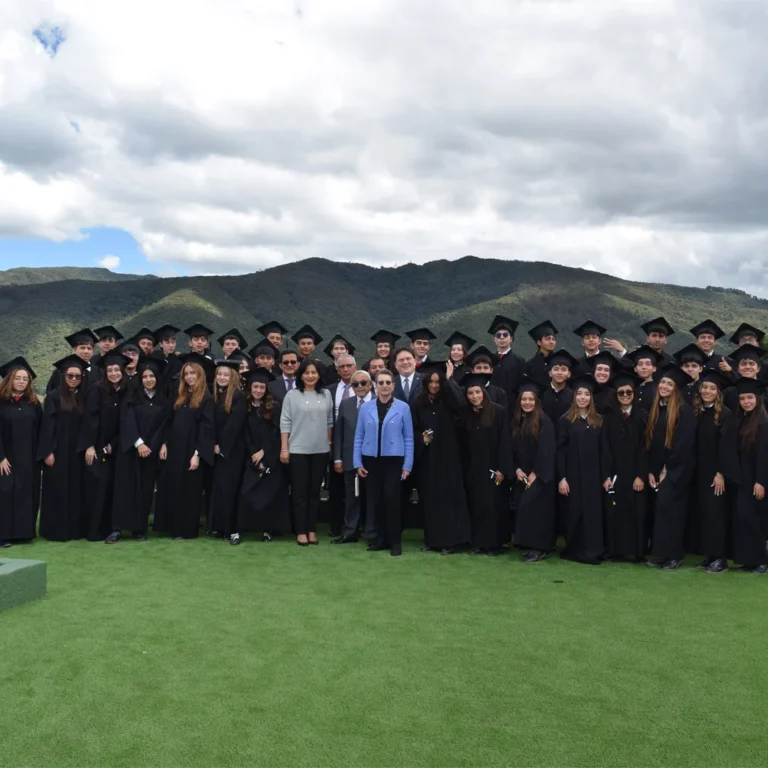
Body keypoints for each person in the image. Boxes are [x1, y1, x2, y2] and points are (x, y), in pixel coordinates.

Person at [411, 361, 470, 554]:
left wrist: (451, 378)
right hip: (428, 459)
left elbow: (462, 405)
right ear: (426, 383)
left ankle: (450, 542)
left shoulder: (449, 402)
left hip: (449, 457)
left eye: (438, 382)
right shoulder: (419, 403)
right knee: (429, 499)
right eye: (431, 382)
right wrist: (422, 438)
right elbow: (413, 428)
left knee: (449, 499)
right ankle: (432, 540)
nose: (434, 385)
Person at [354, 369, 414, 556]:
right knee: (376, 501)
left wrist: (407, 465)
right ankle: (380, 540)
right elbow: (359, 436)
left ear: (393, 385)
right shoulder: (366, 408)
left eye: (388, 382)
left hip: (394, 460)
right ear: (375, 385)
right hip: (371, 459)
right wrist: (357, 462)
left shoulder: (403, 407)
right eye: (381, 382)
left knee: (392, 500)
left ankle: (395, 542)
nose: (385, 386)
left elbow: (409, 438)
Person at [109, 359, 170, 542]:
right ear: (140, 379)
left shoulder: (163, 401)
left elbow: (164, 426)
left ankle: (139, 529)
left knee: (145, 491)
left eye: (152, 376)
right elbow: (126, 420)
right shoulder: (132, 398)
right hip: (130, 451)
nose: (149, 379)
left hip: (150, 453)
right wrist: (139, 443)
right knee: (124, 489)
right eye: (145, 376)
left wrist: (155, 444)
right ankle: (117, 529)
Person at [154, 359, 215, 539]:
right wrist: (164, 443)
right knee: (173, 487)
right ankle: (170, 527)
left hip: (191, 450)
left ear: (200, 375)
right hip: (174, 448)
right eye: (186, 374)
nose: (189, 377)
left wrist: (197, 454)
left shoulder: (206, 398)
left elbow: (207, 429)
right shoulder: (178, 395)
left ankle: (186, 530)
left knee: (189, 491)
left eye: (192, 373)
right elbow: (168, 421)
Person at [645, 363, 697, 570]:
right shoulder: (658, 409)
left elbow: (684, 446)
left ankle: (674, 555)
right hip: (660, 470)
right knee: (661, 511)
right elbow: (654, 444)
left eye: (669, 383)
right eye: (663, 382)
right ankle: (662, 554)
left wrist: (667, 469)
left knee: (672, 511)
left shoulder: (683, 411)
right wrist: (652, 470)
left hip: (677, 470)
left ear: (676, 388)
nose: (664, 386)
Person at [455, 372, 512, 556]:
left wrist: (502, 468)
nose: (474, 396)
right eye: (470, 393)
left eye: (477, 392)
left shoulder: (499, 411)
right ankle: (478, 542)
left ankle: (494, 544)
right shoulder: (465, 414)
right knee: (476, 505)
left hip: (494, 467)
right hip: (473, 469)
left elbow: (505, 441)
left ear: (484, 393)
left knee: (493, 506)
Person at [280, 359, 334, 546]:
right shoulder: (292, 395)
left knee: (314, 493)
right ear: (300, 375)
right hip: (297, 451)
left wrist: (329, 444)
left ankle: (311, 529)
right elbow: (285, 423)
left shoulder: (326, 394)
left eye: (314, 372)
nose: (310, 376)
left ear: (319, 375)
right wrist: (284, 449)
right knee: (300, 493)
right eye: (306, 372)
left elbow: (329, 422)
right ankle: (301, 530)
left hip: (320, 450)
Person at [79, 350, 131, 541]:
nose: (114, 373)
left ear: (123, 371)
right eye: (110, 370)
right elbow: (90, 419)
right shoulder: (96, 389)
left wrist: (114, 444)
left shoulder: (128, 390)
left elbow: (127, 422)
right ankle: (94, 531)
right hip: (97, 446)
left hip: (119, 447)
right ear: (105, 372)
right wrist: (90, 445)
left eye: (117, 370)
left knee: (114, 488)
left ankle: (113, 528)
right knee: (98, 487)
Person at [236, 369, 291, 542]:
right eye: (255, 387)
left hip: (270, 456)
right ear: (250, 388)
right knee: (245, 493)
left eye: (261, 387)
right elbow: (244, 431)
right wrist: (253, 452)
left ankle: (268, 530)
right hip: (250, 456)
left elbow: (277, 431)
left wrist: (264, 452)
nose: (258, 390)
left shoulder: (274, 406)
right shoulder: (244, 406)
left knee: (270, 495)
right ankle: (239, 529)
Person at [38, 355, 88, 541]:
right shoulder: (53, 397)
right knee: (57, 490)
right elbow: (47, 426)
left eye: (77, 376)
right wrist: (48, 451)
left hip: (76, 453)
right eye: (70, 376)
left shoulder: (83, 397)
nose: (74, 379)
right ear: (63, 376)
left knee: (75, 490)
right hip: (57, 452)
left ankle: (74, 530)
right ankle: (56, 531)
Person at [720, 378, 768, 574]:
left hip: (756, 479)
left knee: (754, 520)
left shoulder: (764, 423)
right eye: (742, 398)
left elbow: (764, 456)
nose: (746, 402)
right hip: (741, 479)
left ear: (758, 399)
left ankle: (761, 561)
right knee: (742, 519)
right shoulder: (740, 420)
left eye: (750, 398)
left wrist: (760, 481)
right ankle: (748, 560)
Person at [600, 372, 648, 562]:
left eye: (629, 392)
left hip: (636, 474)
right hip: (615, 474)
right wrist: (606, 476)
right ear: (616, 395)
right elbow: (604, 448)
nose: (625, 395)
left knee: (638, 513)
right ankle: (615, 551)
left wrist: (641, 476)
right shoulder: (609, 417)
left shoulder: (643, 415)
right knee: (615, 512)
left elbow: (646, 447)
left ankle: (638, 552)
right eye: (621, 393)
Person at [557, 375, 604, 564]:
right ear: (574, 397)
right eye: (579, 394)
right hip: (573, 475)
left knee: (593, 513)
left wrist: (606, 475)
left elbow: (605, 451)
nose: (583, 398)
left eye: (586, 394)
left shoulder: (599, 421)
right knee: (575, 512)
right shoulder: (565, 420)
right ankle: (574, 549)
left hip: (594, 476)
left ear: (591, 398)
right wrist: (562, 478)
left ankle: (593, 551)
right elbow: (559, 451)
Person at [689, 370, 731, 572]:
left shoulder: (724, 414)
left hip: (716, 474)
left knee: (716, 515)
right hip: (699, 472)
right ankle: (709, 555)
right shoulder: (697, 411)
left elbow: (727, 446)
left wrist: (721, 473)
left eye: (712, 388)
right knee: (704, 514)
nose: (707, 391)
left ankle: (720, 558)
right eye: (705, 387)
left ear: (718, 392)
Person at [511, 376, 556, 562]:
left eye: (530, 399)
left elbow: (546, 450)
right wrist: (516, 469)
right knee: (525, 509)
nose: (527, 402)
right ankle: (529, 545)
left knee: (538, 511)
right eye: (524, 399)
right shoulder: (517, 421)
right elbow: (511, 449)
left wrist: (535, 473)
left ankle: (541, 547)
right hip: (523, 474)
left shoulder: (544, 421)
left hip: (540, 476)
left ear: (536, 401)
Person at [0, 357, 42, 548]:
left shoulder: (33, 404)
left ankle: (24, 533)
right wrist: (0, 457)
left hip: (28, 458)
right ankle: (3, 535)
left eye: (25, 379)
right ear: (10, 379)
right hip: (6, 458)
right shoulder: (1, 402)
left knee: (27, 492)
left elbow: (41, 430)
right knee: (6, 493)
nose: (22, 382)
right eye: (18, 378)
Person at [332, 370, 375, 544]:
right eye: (355, 384)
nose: (360, 387)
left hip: (373, 459)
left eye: (363, 383)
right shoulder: (346, 404)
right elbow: (338, 434)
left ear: (370, 384)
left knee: (372, 497)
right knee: (351, 497)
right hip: (349, 458)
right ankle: (350, 532)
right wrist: (337, 458)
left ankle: (372, 532)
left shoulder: (379, 402)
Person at [208, 361, 247, 543]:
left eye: (226, 375)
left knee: (230, 489)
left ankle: (232, 528)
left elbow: (235, 425)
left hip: (231, 451)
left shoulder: (238, 396)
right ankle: (219, 526)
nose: (222, 377)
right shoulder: (215, 395)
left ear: (233, 377)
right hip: (216, 449)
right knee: (219, 489)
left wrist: (221, 446)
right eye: (219, 374)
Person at [46, 328, 99, 394]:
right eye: (82, 348)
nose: (86, 351)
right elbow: (50, 395)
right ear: (74, 350)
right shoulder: (60, 371)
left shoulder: (98, 373)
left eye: (89, 348)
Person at [488, 314, 525, 405]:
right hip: (492, 404)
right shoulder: (489, 360)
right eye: (498, 335)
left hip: (512, 405)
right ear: (494, 339)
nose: (501, 337)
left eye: (505, 335)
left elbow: (521, 387)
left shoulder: (519, 361)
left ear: (511, 338)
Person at [723, 345, 768, 411]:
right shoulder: (728, 393)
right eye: (743, 364)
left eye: (751, 363)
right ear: (738, 369)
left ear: (758, 368)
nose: (747, 367)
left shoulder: (766, 391)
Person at [540, 349, 575, 430]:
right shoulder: (541, 394)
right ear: (550, 373)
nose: (559, 373)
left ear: (569, 374)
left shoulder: (573, 396)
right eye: (556, 369)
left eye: (563, 369)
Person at [624, 345, 660, 410]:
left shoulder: (659, 391)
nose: (644, 367)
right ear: (635, 369)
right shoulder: (628, 390)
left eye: (648, 364)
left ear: (654, 368)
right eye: (640, 364)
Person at [152, 323, 182, 397]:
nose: (171, 345)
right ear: (161, 344)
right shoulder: (154, 360)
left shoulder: (179, 361)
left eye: (173, 342)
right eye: (167, 342)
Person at [526, 320, 558, 386]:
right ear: (539, 342)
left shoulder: (559, 361)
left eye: (553, 339)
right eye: (548, 339)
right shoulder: (530, 364)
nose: (551, 342)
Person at [588, 351, 618, 415]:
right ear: (594, 371)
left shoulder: (614, 394)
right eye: (599, 369)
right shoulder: (585, 390)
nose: (602, 372)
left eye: (606, 370)